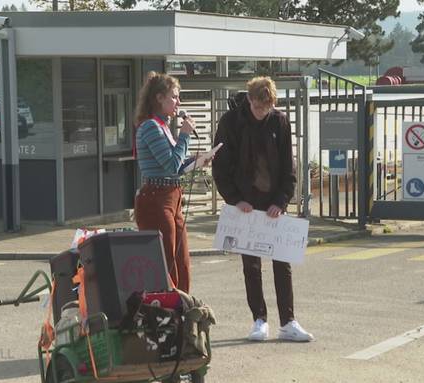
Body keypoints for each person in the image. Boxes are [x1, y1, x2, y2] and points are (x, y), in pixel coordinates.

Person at [212, 76, 314, 342]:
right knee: (251, 265)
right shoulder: (230, 122)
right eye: (258, 106)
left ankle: (288, 321)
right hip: (245, 203)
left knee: (283, 262)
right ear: (249, 99)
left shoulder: (279, 121)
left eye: (266, 107)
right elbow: (221, 167)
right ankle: (259, 320)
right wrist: (235, 200)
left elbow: (288, 167)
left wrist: (281, 201)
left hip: (273, 203)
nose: (261, 112)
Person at [134, 71, 200, 294]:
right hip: (156, 199)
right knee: (167, 260)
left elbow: (176, 166)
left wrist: (199, 161)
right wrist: (184, 136)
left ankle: (183, 309)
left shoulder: (163, 127)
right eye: (174, 97)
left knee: (182, 260)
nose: (178, 102)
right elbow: (171, 165)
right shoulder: (150, 127)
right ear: (159, 98)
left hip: (173, 197)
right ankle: (168, 312)